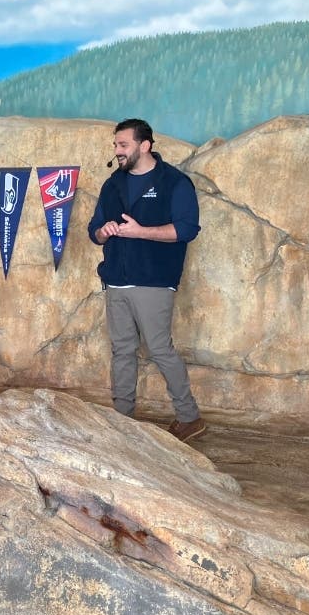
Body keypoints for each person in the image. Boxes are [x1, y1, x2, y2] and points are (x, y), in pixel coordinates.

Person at [87, 118, 207, 442]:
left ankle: (189, 416)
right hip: (116, 280)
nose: (117, 151)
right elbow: (93, 230)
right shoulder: (112, 185)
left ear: (145, 146)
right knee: (122, 350)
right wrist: (103, 231)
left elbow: (186, 229)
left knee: (159, 348)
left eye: (123, 145)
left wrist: (140, 232)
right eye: (115, 145)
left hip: (154, 281)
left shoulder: (175, 183)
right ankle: (122, 418)